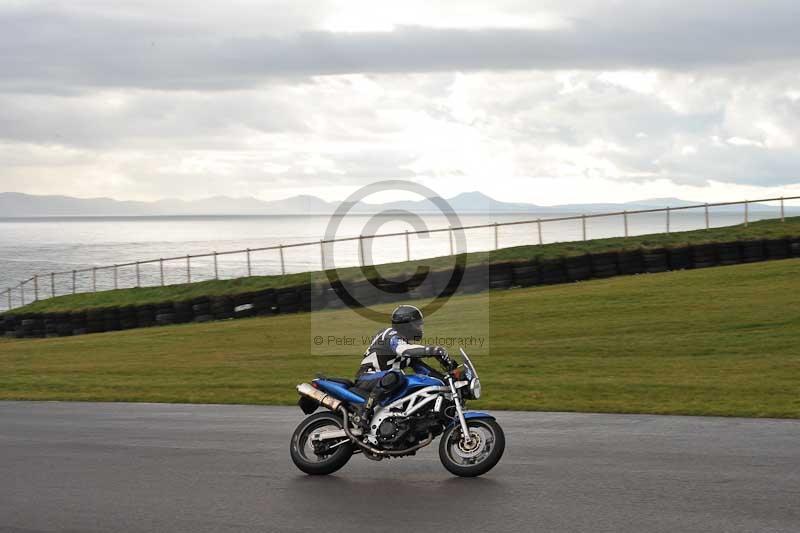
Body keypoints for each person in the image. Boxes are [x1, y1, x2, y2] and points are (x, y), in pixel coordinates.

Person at [354, 304, 457, 430]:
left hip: (385, 381)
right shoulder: (389, 335)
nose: (420, 327)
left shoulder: (406, 345)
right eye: (417, 324)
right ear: (405, 324)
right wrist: (432, 350)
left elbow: (424, 370)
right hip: (367, 378)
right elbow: (403, 350)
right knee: (396, 375)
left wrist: (448, 382)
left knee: (413, 384)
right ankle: (365, 411)